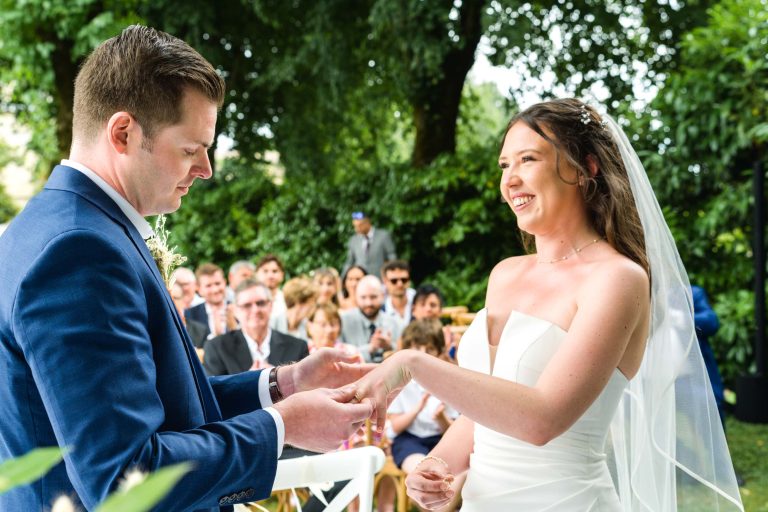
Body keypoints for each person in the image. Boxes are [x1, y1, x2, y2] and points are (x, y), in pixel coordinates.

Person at [0, 26, 372, 511]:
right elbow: (125, 480)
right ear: (123, 133)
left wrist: (283, 385)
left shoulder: (63, 225)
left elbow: (156, 402)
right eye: (192, 150)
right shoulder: (78, 252)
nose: (207, 170)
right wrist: (284, 427)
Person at [353, 99, 743, 510]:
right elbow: (484, 412)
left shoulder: (618, 279)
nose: (510, 179)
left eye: (528, 159)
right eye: (505, 165)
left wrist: (413, 363)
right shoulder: (504, 274)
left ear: (586, 168)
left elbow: (542, 419)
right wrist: (436, 464)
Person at [204, 280, 309, 376]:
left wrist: (278, 378)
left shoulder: (297, 347)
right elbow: (215, 393)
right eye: (247, 305)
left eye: (261, 303)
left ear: (270, 306)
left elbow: (305, 390)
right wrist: (250, 380)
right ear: (235, 311)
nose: (255, 310)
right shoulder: (217, 348)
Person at [341, 275, 402, 363]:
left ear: (382, 296)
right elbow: (338, 353)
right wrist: (370, 348)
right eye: (363, 297)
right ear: (356, 297)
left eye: (373, 297)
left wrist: (389, 347)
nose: (368, 303)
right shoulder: (343, 321)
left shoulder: (395, 322)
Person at [185, 262, 236, 339]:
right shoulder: (190, 315)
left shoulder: (239, 309)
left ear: (225, 283)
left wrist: (234, 328)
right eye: (208, 286)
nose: (215, 290)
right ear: (199, 289)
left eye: (218, 283)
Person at [343, 211, 396, 278]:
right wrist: (343, 277)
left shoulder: (383, 236)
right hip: (361, 280)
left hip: (380, 278)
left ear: (367, 222)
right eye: (355, 226)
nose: (357, 229)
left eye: (360, 225)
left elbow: (391, 257)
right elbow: (349, 262)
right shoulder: (353, 240)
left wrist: (392, 275)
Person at [269, 276, 317, 342]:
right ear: (299, 302)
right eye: (312, 301)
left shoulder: (308, 327)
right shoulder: (272, 324)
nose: (314, 306)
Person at [381, 260, 415, 326]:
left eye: (404, 280)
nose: (400, 284)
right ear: (385, 282)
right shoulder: (380, 311)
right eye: (394, 281)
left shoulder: (420, 304)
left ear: (409, 281)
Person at [256, 253, 287, 320]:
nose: (270, 276)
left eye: (275, 271)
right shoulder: (248, 300)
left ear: (282, 275)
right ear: (257, 274)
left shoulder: (287, 300)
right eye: (265, 271)